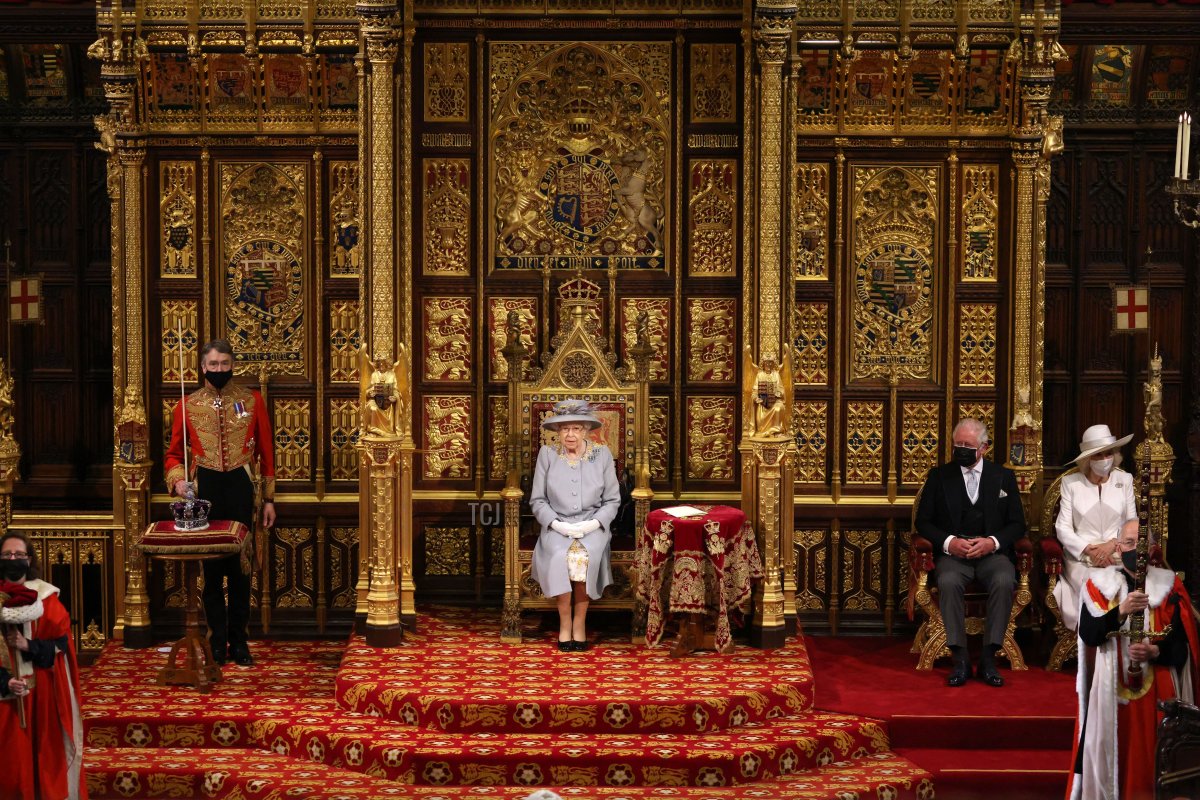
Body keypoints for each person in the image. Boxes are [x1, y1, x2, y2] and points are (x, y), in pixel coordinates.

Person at [1067, 523, 1200, 800]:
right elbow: (1089, 635)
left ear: (1152, 549)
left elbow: (1182, 649)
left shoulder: (1169, 586)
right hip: (1111, 693)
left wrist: (1155, 653)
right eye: (1128, 543)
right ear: (1117, 547)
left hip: (1158, 695)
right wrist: (1121, 610)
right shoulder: (1097, 584)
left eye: (1141, 545)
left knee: (1154, 758)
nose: (1134, 550)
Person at [164, 339, 276, 666]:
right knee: (211, 574)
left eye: (224, 364)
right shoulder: (186, 405)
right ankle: (217, 641)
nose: (219, 370)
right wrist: (178, 480)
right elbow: (173, 455)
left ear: (232, 365)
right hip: (205, 492)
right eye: (213, 365)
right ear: (202, 367)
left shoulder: (251, 400)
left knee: (241, 573)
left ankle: (240, 642)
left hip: (241, 488)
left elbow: (266, 452)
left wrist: (268, 499)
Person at [916, 418, 1026, 687]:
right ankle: (961, 658)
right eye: (958, 444)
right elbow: (923, 521)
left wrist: (993, 542)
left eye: (968, 445)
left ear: (984, 447)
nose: (962, 449)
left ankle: (989, 657)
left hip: (992, 554)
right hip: (954, 555)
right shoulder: (939, 476)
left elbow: (1017, 523)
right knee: (949, 581)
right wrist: (949, 542)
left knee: (1003, 580)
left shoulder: (1003, 477)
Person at [0, 532, 86, 800]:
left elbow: (62, 647)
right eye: (7, 555)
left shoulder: (46, 597)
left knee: (42, 761)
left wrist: (28, 646)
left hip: (41, 694)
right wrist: (4, 682)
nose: (13, 559)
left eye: (19, 555)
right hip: (4, 698)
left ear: (29, 559)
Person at [529, 399, 620, 652]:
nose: (570, 434)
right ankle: (564, 622)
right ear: (558, 432)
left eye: (576, 428)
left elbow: (613, 500)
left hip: (593, 525)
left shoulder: (601, 454)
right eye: (565, 429)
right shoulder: (547, 455)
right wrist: (557, 525)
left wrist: (594, 524)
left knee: (584, 557)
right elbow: (537, 500)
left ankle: (579, 622)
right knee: (561, 555)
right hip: (557, 526)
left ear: (585, 430)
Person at [1054, 424, 1137, 632]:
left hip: (1117, 555)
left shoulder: (1124, 480)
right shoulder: (1071, 483)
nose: (1105, 459)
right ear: (1087, 459)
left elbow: (1132, 522)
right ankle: (1095, 639)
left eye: (1108, 454)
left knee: (1124, 584)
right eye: (1098, 455)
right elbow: (1062, 527)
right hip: (1081, 559)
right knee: (1095, 586)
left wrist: (1112, 544)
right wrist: (1089, 549)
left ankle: (1122, 646)